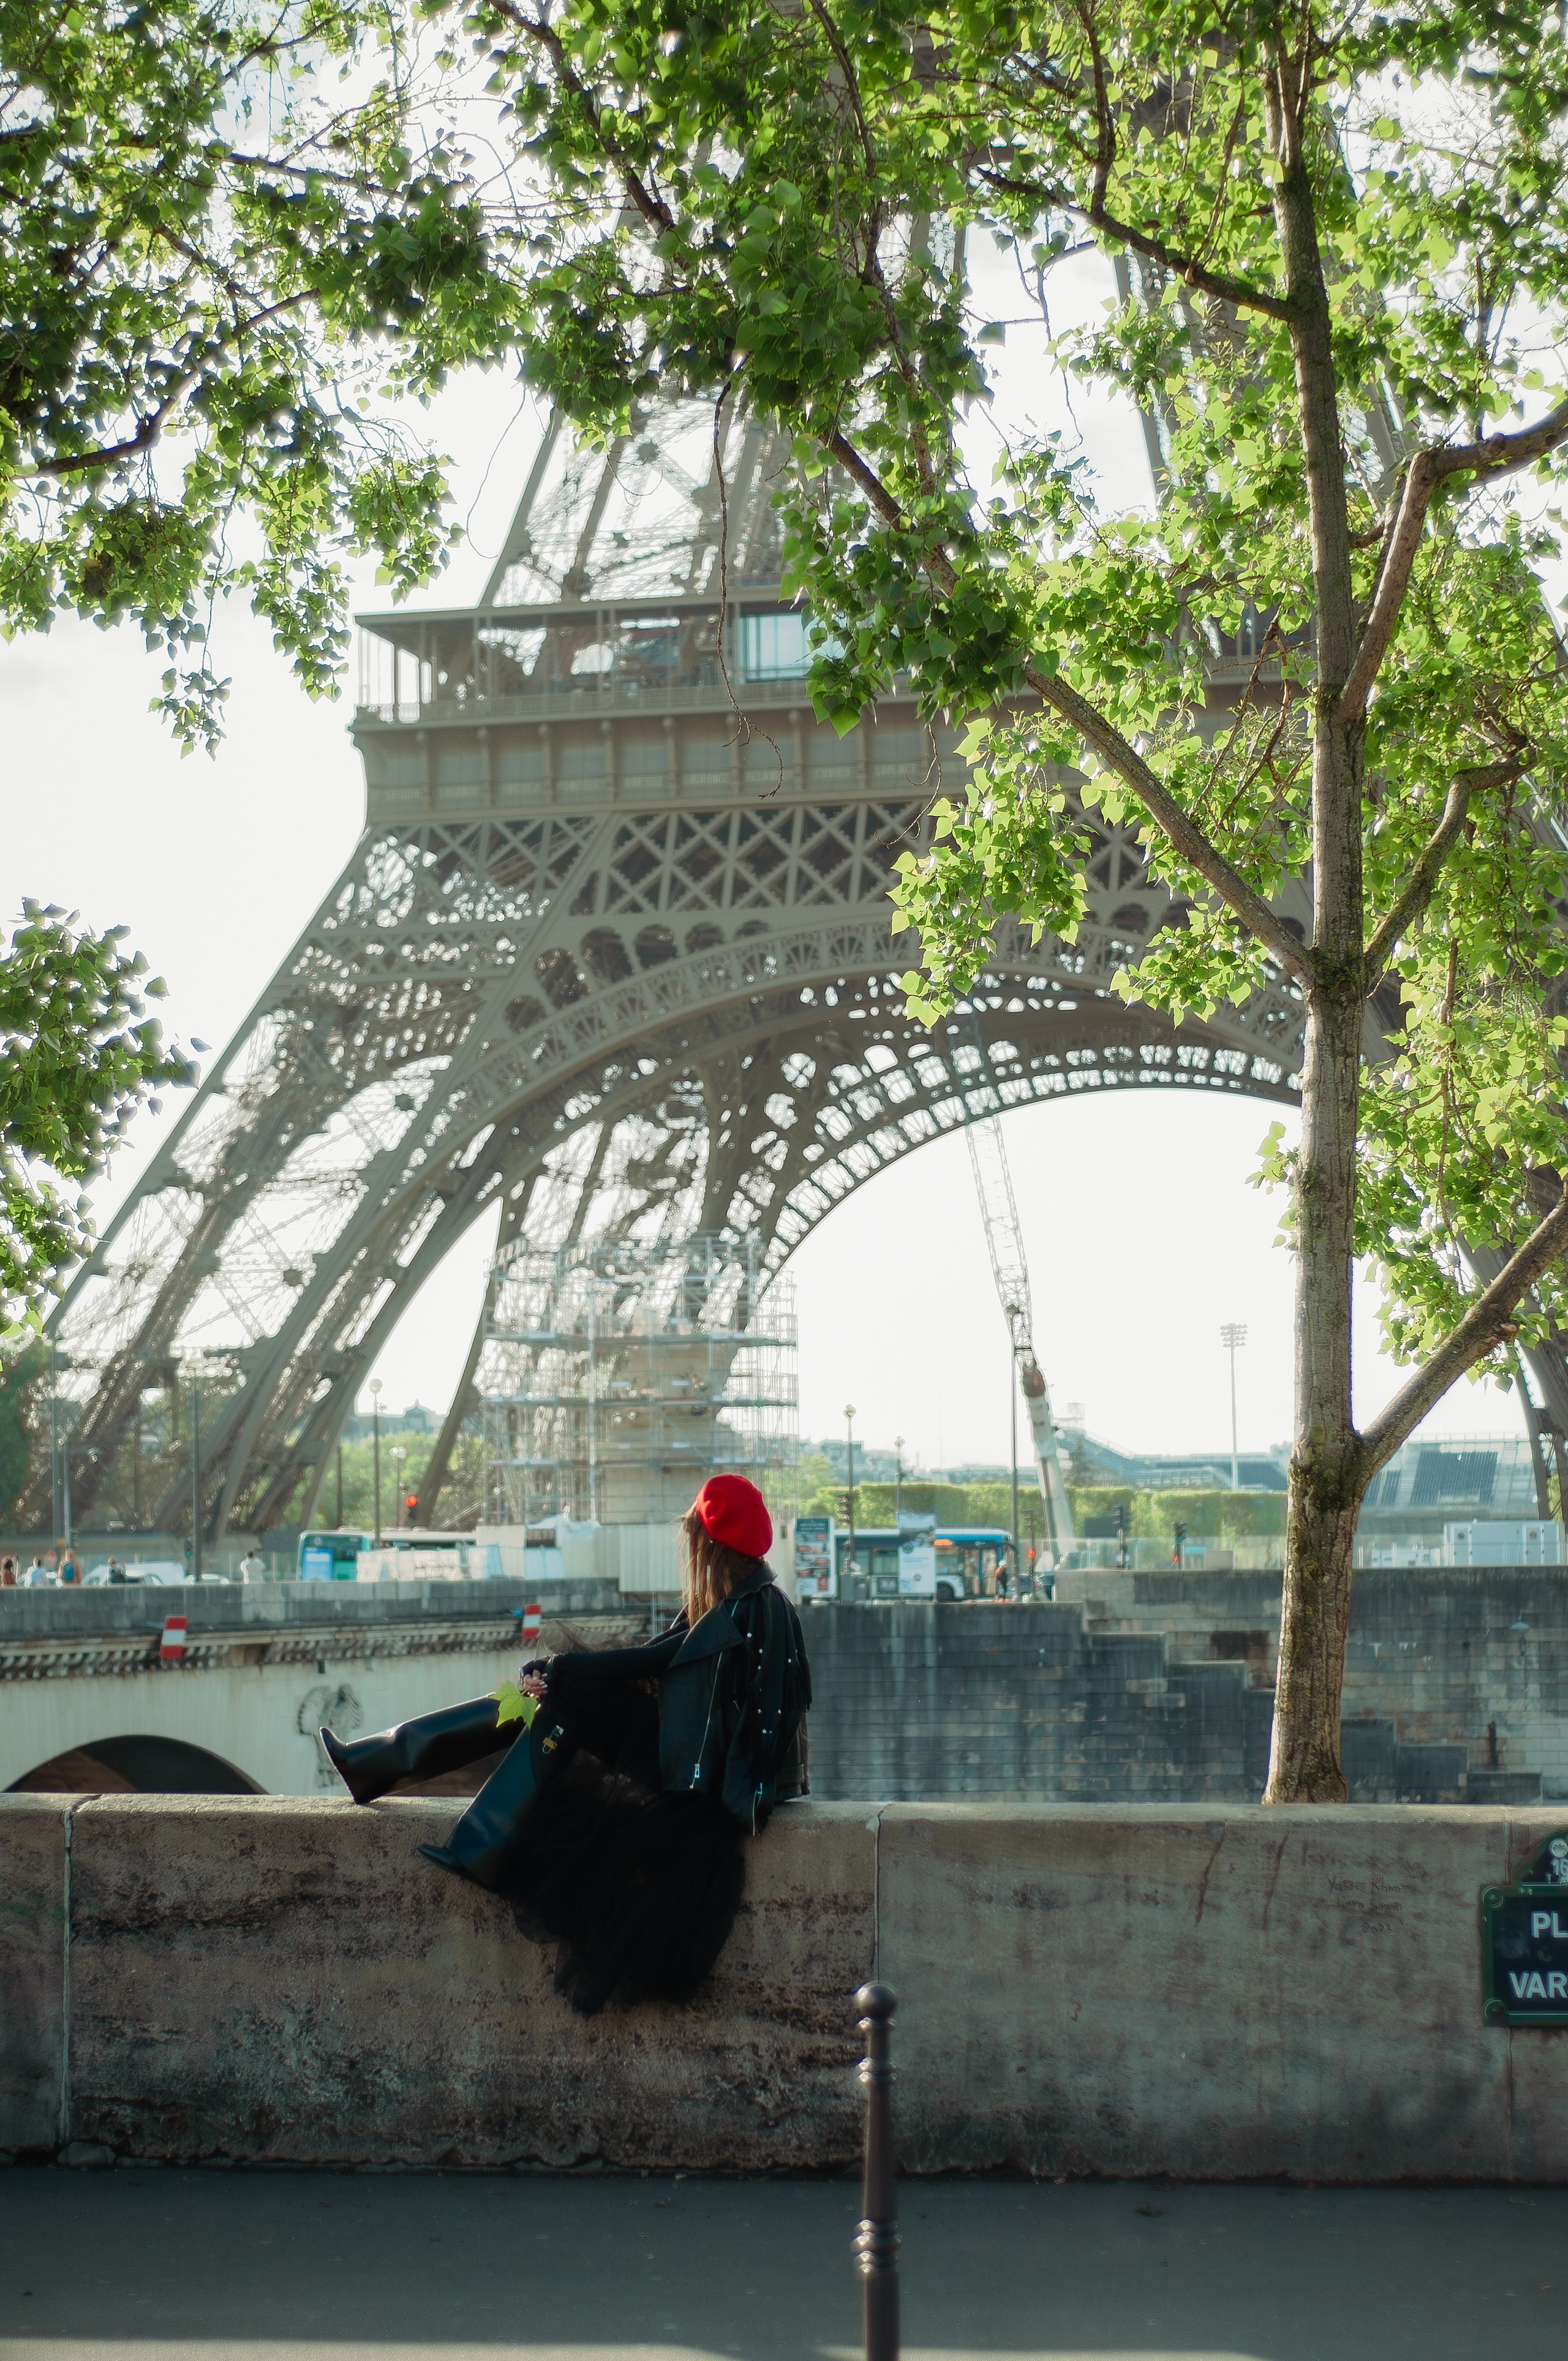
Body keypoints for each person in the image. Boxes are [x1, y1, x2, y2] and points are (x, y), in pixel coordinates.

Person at [322, 1474, 810, 2015]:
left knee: (565, 1686)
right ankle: (389, 1773)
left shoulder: (750, 1611)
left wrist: (566, 1665)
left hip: (701, 1788)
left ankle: (403, 1781)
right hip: (696, 1767)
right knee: (552, 1692)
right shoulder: (752, 1601)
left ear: (707, 1543)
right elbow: (661, 1652)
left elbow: (654, 1661)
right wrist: (563, 1671)